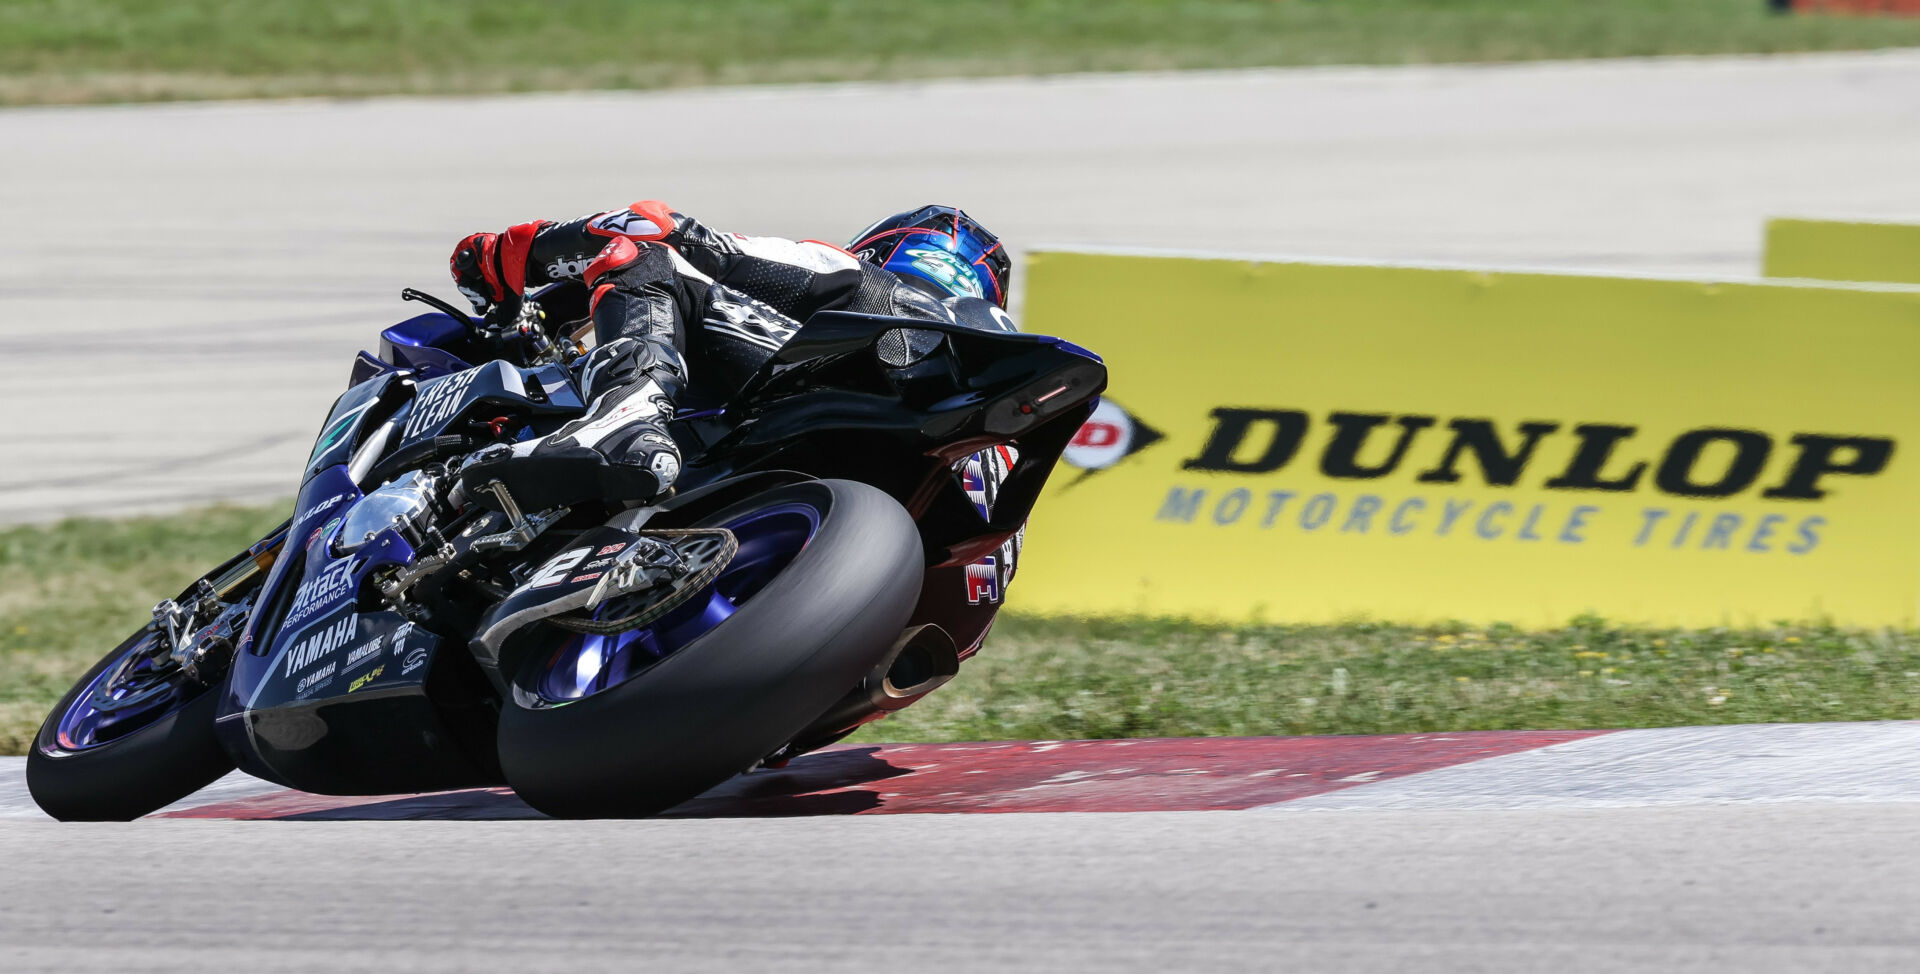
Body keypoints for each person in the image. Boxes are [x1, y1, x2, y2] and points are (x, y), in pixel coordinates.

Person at [445, 202, 1014, 512]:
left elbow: (659, 228)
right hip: (921, 599)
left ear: (880, 249)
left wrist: (505, 258)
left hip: (844, 490)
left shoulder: (860, 282)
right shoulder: (993, 412)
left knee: (646, 255)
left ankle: (626, 420)